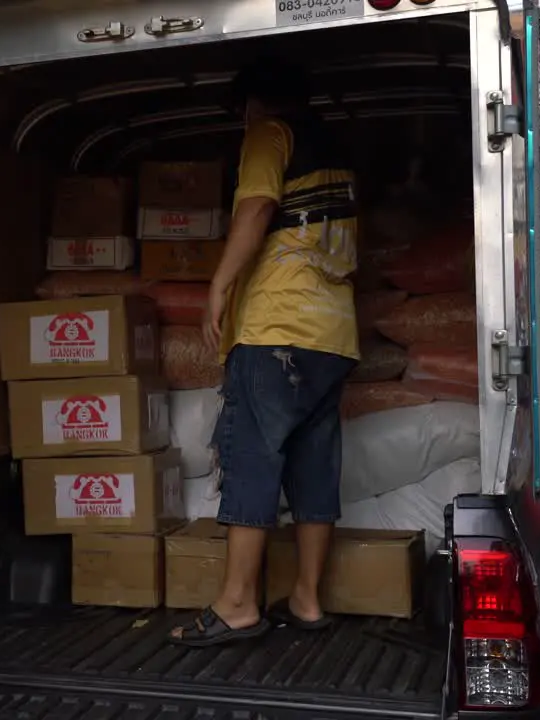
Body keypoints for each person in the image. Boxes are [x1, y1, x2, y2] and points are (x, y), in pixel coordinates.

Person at [168, 58, 360, 647]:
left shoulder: (268, 135)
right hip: (333, 335)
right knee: (312, 464)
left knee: (252, 456)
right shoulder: (337, 153)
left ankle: (236, 604)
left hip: (276, 327)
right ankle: (306, 597)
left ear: (253, 105)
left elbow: (255, 209)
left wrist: (218, 286)